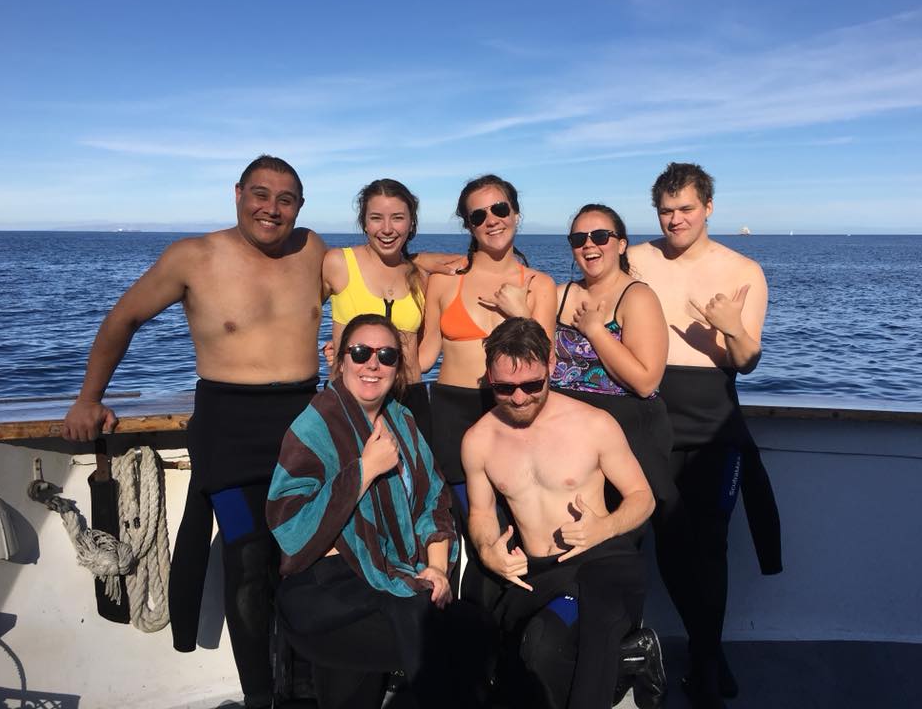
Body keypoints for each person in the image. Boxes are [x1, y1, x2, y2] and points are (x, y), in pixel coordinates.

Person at [61, 155, 325, 708]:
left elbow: (390, 267)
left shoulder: (314, 250)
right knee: (248, 562)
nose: (271, 209)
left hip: (304, 427)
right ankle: (259, 696)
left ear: (299, 206)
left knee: (304, 559)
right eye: (260, 194)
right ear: (237, 194)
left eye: (285, 199)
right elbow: (123, 319)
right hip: (228, 431)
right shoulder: (193, 256)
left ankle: (303, 688)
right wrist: (89, 398)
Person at [267, 313, 485, 709]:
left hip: (393, 577)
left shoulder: (402, 421)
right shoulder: (315, 425)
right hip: (326, 588)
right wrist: (365, 470)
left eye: (386, 355)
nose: (373, 364)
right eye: (361, 352)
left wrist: (437, 566)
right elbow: (289, 523)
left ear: (397, 368)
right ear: (340, 360)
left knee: (472, 628)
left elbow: (434, 499)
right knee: (428, 630)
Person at [628, 162, 782, 709]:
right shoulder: (637, 258)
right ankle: (708, 653)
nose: (675, 219)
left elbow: (747, 361)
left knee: (710, 544)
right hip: (651, 415)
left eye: (686, 209)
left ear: (708, 208)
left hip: (713, 420)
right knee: (669, 540)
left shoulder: (743, 270)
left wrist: (732, 326)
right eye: (666, 211)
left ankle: (705, 658)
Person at [462, 317, 665, 709]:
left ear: (552, 367)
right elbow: (482, 515)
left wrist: (603, 527)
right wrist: (490, 553)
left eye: (532, 385)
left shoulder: (594, 425)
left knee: (544, 645)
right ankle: (632, 659)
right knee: (514, 664)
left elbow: (643, 497)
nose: (519, 398)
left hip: (601, 562)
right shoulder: (479, 440)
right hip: (538, 572)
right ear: (489, 376)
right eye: (504, 388)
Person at [550, 202, 698, 683]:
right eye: (578, 239)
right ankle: (583, 657)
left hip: (629, 436)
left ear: (620, 241)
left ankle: (628, 656)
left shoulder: (637, 298)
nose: (589, 246)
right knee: (575, 549)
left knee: (615, 551)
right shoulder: (558, 293)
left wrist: (594, 329)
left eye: (600, 236)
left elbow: (645, 379)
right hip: (571, 438)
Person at [420, 174, 556, 603]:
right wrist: (358, 355)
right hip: (451, 414)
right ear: (468, 225)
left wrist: (521, 317)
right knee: (463, 532)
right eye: (479, 214)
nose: (492, 220)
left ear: (515, 213)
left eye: (500, 209)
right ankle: (458, 646)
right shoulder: (444, 280)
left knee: (512, 534)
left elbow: (545, 365)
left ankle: (504, 645)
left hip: (512, 415)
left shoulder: (539, 285)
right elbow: (423, 356)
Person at [321, 179, 432, 440]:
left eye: (397, 218)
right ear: (364, 222)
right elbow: (302, 316)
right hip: (350, 398)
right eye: (376, 218)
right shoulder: (338, 263)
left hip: (409, 400)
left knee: (415, 479)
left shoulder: (420, 276)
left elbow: (421, 347)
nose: (387, 229)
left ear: (411, 223)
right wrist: (333, 353)